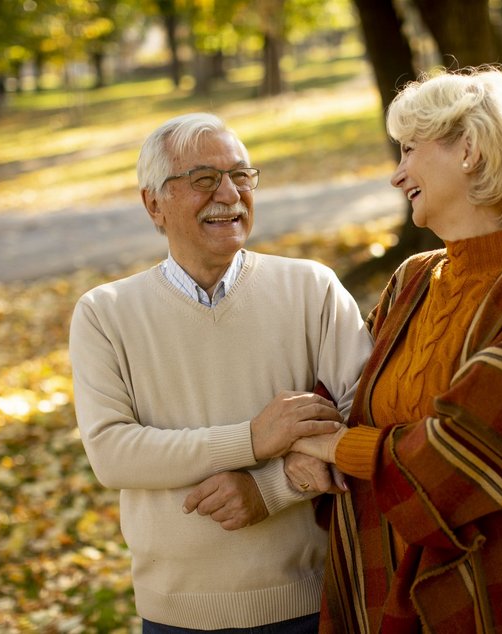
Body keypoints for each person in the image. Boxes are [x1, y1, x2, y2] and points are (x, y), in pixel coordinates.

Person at [289, 68, 502, 632]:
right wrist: (304, 444)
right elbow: (342, 395)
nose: (397, 176)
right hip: (379, 583)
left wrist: (333, 447)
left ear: (467, 149)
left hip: (489, 600)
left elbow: (461, 459)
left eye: (410, 150)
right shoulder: (412, 279)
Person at [68, 112, 373, 633]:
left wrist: (272, 488)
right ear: (153, 204)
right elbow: (113, 453)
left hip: (312, 600)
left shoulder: (312, 289)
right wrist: (251, 440)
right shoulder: (104, 313)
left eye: (242, 176)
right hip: (176, 615)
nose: (230, 194)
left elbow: (367, 414)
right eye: (204, 180)